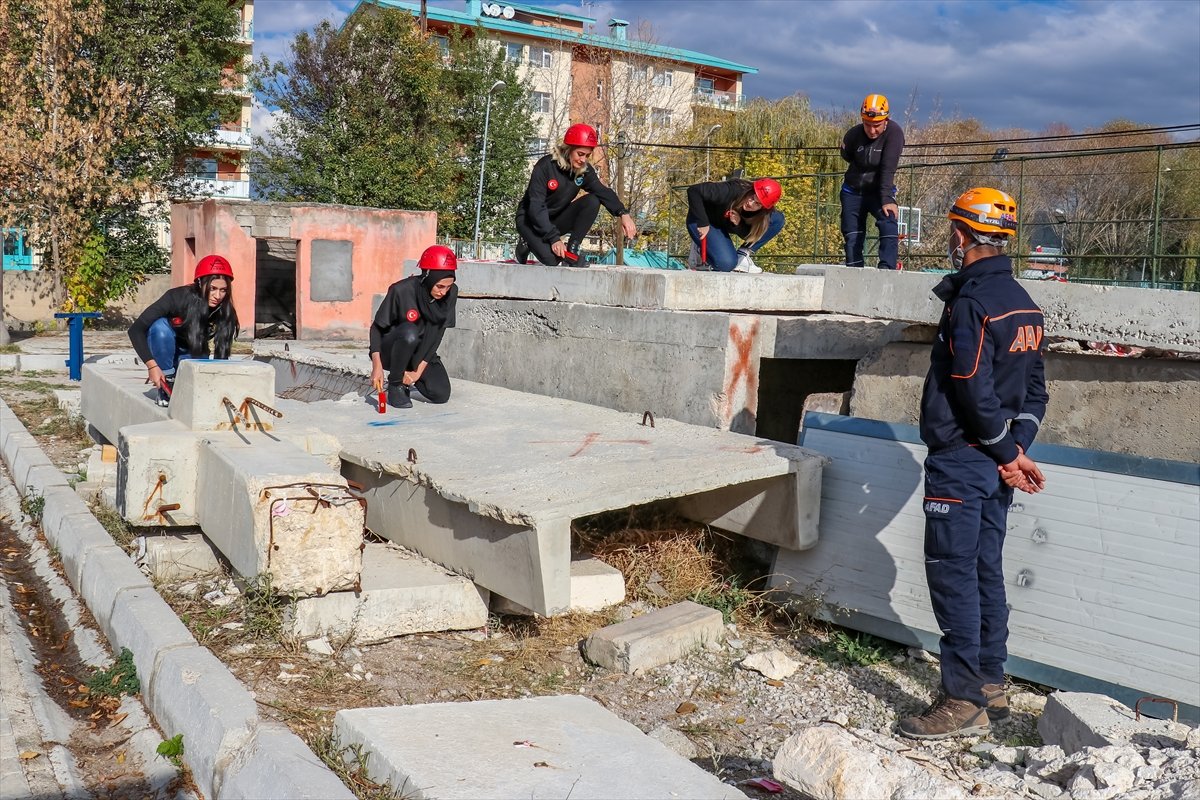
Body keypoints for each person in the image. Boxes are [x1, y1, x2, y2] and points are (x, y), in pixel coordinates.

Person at [899, 187, 1049, 740]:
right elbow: (1035, 393)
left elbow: (969, 384)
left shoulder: (971, 303)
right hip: (992, 464)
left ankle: (962, 699)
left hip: (963, 461)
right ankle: (990, 680)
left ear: (960, 234)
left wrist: (1006, 453)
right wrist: (1016, 451)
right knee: (985, 568)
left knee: (954, 575)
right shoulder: (1026, 304)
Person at [514, 123, 638, 266]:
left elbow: (602, 191)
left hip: (555, 219)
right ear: (568, 150)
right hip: (530, 220)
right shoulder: (545, 166)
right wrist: (554, 239)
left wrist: (623, 213)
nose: (583, 159)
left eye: (587, 155)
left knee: (593, 200)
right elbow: (536, 208)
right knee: (552, 260)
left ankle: (573, 248)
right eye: (580, 154)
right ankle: (525, 243)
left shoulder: (583, 171)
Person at [128, 254, 239, 406]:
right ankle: (166, 386)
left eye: (223, 290)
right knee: (159, 327)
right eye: (212, 289)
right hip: (166, 352)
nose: (217, 296)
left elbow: (222, 358)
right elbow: (135, 330)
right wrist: (152, 366)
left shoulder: (225, 311)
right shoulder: (176, 297)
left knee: (199, 394)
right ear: (200, 283)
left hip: (193, 353)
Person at [369, 245, 458, 409]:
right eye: (439, 286)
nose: (444, 292)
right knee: (410, 332)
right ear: (428, 278)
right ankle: (396, 384)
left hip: (421, 350)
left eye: (448, 286)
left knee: (440, 394)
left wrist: (416, 373)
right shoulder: (401, 291)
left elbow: (437, 335)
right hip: (394, 347)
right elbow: (377, 328)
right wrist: (377, 366)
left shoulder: (450, 294)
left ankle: (407, 378)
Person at [839, 93, 905, 269]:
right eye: (867, 125)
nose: (872, 130)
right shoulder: (853, 134)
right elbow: (847, 155)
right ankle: (853, 270)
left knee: (888, 221)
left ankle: (887, 268)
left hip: (879, 191)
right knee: (852, 234)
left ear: (886, 120)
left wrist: (887, 199)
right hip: (852, 191)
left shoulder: (895, 134)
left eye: (877, 125)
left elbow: (888, 167)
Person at [685, 177, 784, 273]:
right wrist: (703, 222)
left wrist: (738, 224)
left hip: (723, 223)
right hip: (703, 220)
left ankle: (743, 254)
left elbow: (746, 235)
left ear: (763, 208)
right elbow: (693, 191)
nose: (751, 203)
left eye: (757, 204)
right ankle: (702, 251)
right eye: (752, 198)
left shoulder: (760, 214)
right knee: (726, 264)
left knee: (777, 219)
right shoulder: (731, 190)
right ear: (751, 190)